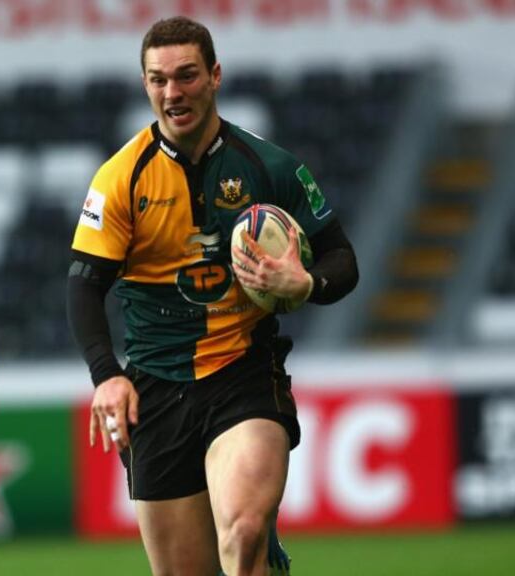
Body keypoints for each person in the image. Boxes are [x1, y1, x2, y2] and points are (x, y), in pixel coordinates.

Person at [67, 16, 358, 576]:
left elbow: (342, 258)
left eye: (186, 76)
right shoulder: (119, 178)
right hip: (155, 385)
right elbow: (83, 287)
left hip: (244, 373)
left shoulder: (270, 167)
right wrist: (106, 375)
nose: (172, 93)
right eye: (158, 80)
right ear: (145, 84)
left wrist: (308, 284)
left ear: (216, 75)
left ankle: (257, 541)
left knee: (244, 533)